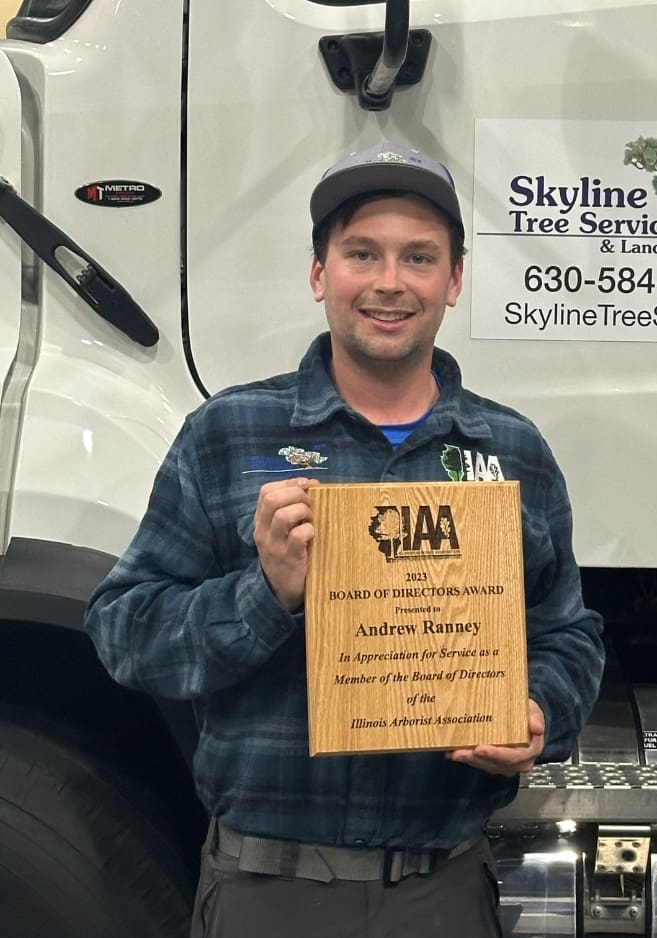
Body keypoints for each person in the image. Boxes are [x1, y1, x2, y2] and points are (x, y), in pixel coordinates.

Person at [85, 141, 605, 938]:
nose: (390, 282)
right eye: (362, 253)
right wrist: (265, 593)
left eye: (419, 257)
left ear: (454, 281)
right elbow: (125, 637)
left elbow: (569, 635)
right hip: (268, 891)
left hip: (442, 892)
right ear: (321, 273)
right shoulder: (227, 433)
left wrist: (539, 712)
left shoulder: (514, 453)